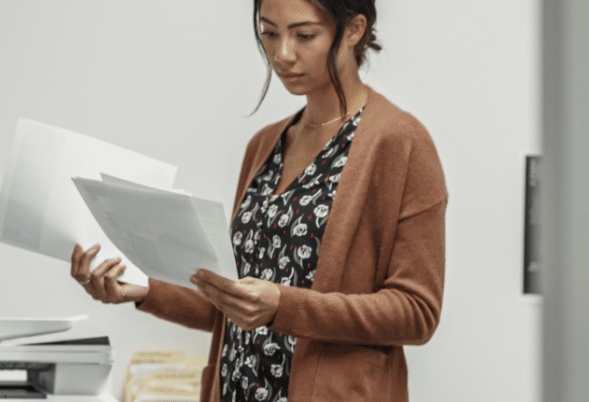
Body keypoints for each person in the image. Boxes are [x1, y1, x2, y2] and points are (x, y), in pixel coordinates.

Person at [68, 1, 447, 401]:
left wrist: (283, 306)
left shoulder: (400, 144)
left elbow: (416, 311)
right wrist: (142, 289)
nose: (282, 53)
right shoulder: (264, 146)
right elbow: (234, 304)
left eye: (304, 35)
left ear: (353, 30)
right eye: (269, 33)